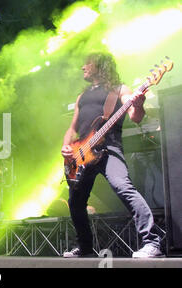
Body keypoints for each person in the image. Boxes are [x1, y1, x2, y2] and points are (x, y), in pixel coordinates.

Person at [61, 52, 163, 258]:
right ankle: (86, 247)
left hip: (110, 149)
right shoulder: (82, 96)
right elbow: (72, 128)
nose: (83, 67)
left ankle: (152, 242)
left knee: (123, 187)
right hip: (81, 154)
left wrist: (138, 104)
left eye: (87, 63)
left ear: (100, 66)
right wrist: (66, 148)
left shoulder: (120, 90)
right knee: (75, 202)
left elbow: (135, 117)